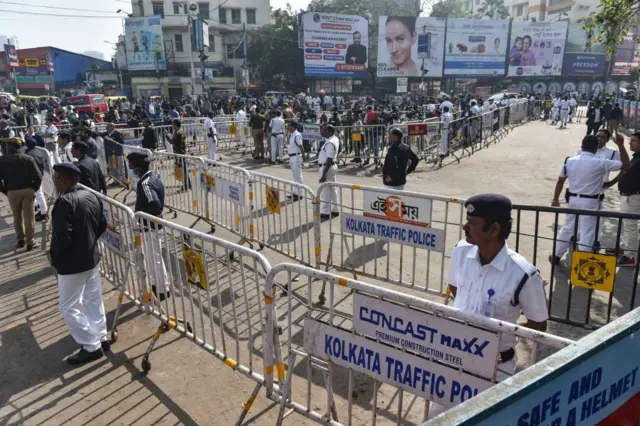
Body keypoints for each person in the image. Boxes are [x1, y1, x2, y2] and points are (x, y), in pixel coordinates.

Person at [446, 194, 548, 380]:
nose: (465, 227)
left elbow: (538, 324)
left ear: (494, 229)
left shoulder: (523, 274)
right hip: (455, 355)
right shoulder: (460, 252)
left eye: (472, 223)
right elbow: (455, 287)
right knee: (440, 410)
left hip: (495, 366)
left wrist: (502, 334)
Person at [49, 162, 108, 365]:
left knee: (69, 306)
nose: (54, 182)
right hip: (91, 257)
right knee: (93, 298)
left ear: (63, 180)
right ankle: (100, 335)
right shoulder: (91, 195)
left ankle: (91, 345)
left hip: (72, 263)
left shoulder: (65, 202)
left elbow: (62, 237)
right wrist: (89, 243)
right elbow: (102, 224)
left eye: (55, 178)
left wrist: (56, 257)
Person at [550, 134, 629, 263]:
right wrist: (620, 145)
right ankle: (583, 260)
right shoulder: (601, 162)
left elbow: (560, 181)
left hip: (573, 199)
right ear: (595, 148)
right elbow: (625, 165)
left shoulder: (569, 160)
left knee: (568, 228)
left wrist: (555, 199)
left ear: (582, 146)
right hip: (591, 201)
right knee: (587, 231)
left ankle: (556, 255)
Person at [127, 152, 171, 299]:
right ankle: (156, 284)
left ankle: (162, 289)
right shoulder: (153, 178)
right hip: (150, 227)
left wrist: (146, 217)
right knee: (152, 258)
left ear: (138, 167)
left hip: (150, 227)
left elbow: (154, 204)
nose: (130, 169)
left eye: (131, 165)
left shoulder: (146, 183)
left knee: (155, 259)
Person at [0, 138, 42, 249]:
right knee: (29, 217)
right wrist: (34, 188)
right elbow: (38, 176)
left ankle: (20, 240)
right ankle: (30, 241)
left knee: (17, 217)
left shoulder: (2, 160)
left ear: (11, 147)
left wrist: (5, 191)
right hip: (28, 190)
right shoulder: (28, 158)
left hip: (12, 191)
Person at [614, 132, 640, 266]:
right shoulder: (636, 157)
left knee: (631, 226)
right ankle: (624, 249)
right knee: (626, 224)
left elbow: (627, 169)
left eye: (634, 141)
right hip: (627, 195)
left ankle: (630, 257)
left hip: (633, 196)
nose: (630, 143)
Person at [24, 136, 49, 221]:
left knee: (39, 194)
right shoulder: (36, 151)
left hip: (34, 176)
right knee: (38, 194)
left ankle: (43, 213)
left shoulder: (29, 154)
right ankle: (41, 210)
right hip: (38, 175)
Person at [318, 124, 340, 219]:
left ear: (330, 131)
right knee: (332, 189)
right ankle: (335, 209)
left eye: (324, 130)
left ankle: (325, 212)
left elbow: (329, 159)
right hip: (331, 167)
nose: (321, 132)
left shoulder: (330, 142)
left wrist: (324, 174)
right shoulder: (334, 139)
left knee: (326, 190)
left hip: (327, 167)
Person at [286, 121, 305, 201]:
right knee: (294, 176)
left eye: (289, 126)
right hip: (292, 157)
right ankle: (295, 193)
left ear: (293, 127)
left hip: (296, 157)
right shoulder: (292, 135)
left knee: (298, 176)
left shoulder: (297, 135)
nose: (287, 128)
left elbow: (301, 147)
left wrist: (303, 157)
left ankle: (299, 194)